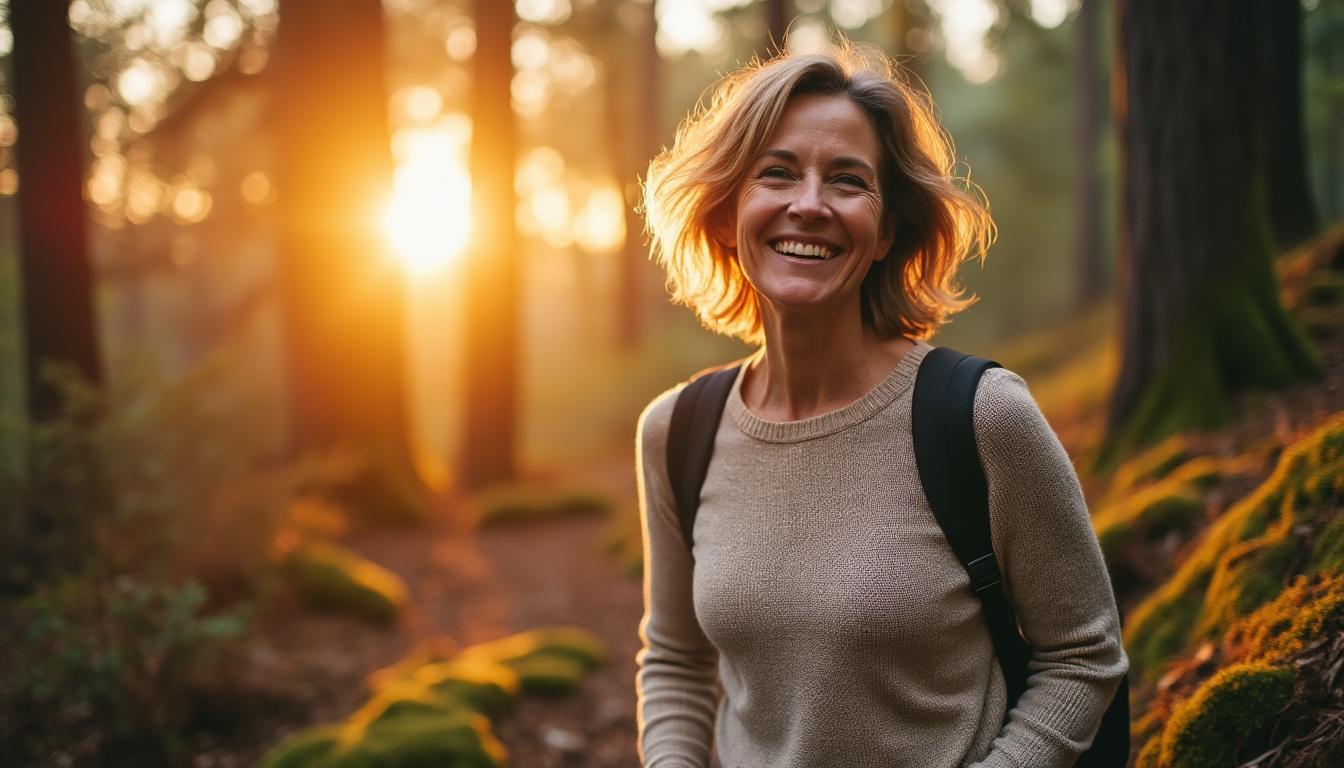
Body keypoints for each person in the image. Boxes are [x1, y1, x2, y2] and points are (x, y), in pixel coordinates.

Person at [633, 41, 1127, 767]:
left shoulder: (982, 416)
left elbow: (1083, 657)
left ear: (886, 231)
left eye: (847, 180)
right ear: (728, 211)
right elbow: (675, 660)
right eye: (776, 173)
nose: (808, 204)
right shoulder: (677, 432)